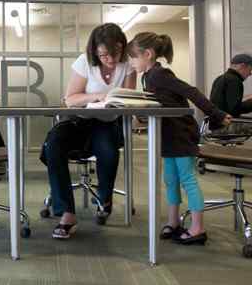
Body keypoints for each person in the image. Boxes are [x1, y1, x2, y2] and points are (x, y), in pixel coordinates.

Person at [127, 32, 231, 245]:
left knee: (188, 180)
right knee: (170, 180)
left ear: (147, 54)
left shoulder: (159, 74)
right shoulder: (147, 76)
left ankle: (197, 228)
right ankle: (174, 222)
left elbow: (190, 91)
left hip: (181, 135)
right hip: (167, 135)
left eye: (133, 57)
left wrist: (216, 113)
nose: (131, 62)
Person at [41, 23, 136, 239]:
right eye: (103, 55)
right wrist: (98, 97)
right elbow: (70, 99)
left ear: (122, 47)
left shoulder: (128, 64)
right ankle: (66, 213)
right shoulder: (84, 62)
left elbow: (129, 100)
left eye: (115, 54)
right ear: (95, 51)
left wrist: (121, 104)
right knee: (53, 145)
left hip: (107, 122)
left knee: (109, 152)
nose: (110, 60)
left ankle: (104, 198)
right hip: (80, 120)